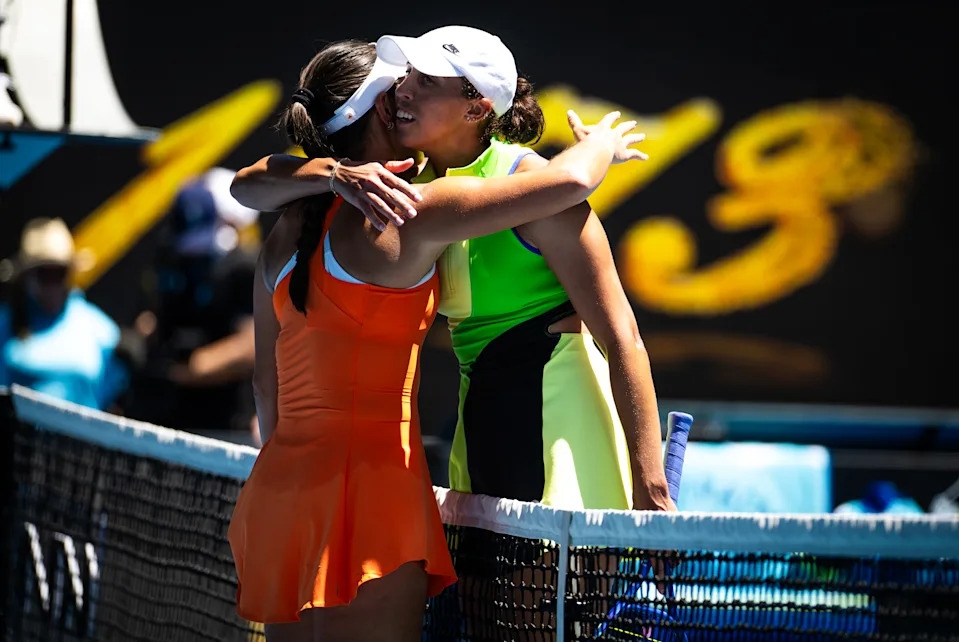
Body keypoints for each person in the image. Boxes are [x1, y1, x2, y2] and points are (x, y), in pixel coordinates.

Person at [227, 38, 646, 642]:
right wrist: (601, 142)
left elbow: (265, 385)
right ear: (380, 111)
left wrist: (332, 172)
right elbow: (573, 179)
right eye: (402, 84)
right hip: (376, 493)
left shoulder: (284, 232)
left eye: (422, 81)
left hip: (281, 488)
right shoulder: (416, 210)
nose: (408, 92)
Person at [127, 168, 261, 443]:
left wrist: (189, 370)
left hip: (224, 424)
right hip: (166, 421)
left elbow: (252, 346)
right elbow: (150, 323)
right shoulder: (166, 263)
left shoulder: (242, 269)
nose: (192, 255)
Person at [0, 217, 128, 410]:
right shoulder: (4, 325)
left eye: (58, 273)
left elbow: (115, 399)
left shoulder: (99, 329)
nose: (52, 286)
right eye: (44, 274)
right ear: (26, 276)